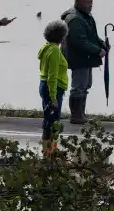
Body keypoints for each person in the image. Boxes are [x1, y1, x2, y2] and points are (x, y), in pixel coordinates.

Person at [61, 0, 107, 124]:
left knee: (86, 85)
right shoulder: (75, 18)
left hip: (85, 57)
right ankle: (76, 115)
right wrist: (98, 51)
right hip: (78, 58)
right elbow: (79, 41)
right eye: (88, 2)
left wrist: (101, 43)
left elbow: (90, 35)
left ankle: (81, 113)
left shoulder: (85, 16)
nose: (90, 5)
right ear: (79, 2)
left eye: (91, 2)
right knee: (79, 86)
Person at [38, 20, 69, 153]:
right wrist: (53, 97)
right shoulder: (55, 51)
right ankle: (50, 152)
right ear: (61, 36)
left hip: (44, 85)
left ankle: (47, 151)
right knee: (54, 123)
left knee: (48, 120)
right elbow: (52, 75)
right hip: (53, 88)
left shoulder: (46, 48)